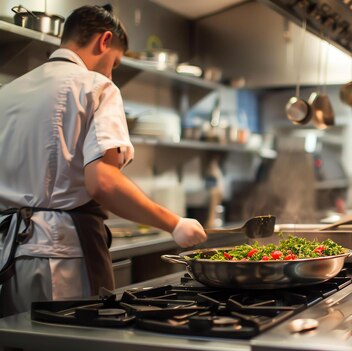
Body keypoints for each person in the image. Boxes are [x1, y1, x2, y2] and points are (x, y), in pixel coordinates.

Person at [0, 5, 207, 317]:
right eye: (115, 63)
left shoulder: (8, 92)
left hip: (8, 253)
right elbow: (103, 182)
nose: (111, 73)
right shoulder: (95, 85)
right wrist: (174, 223)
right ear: (104, 40)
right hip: (61, 256)